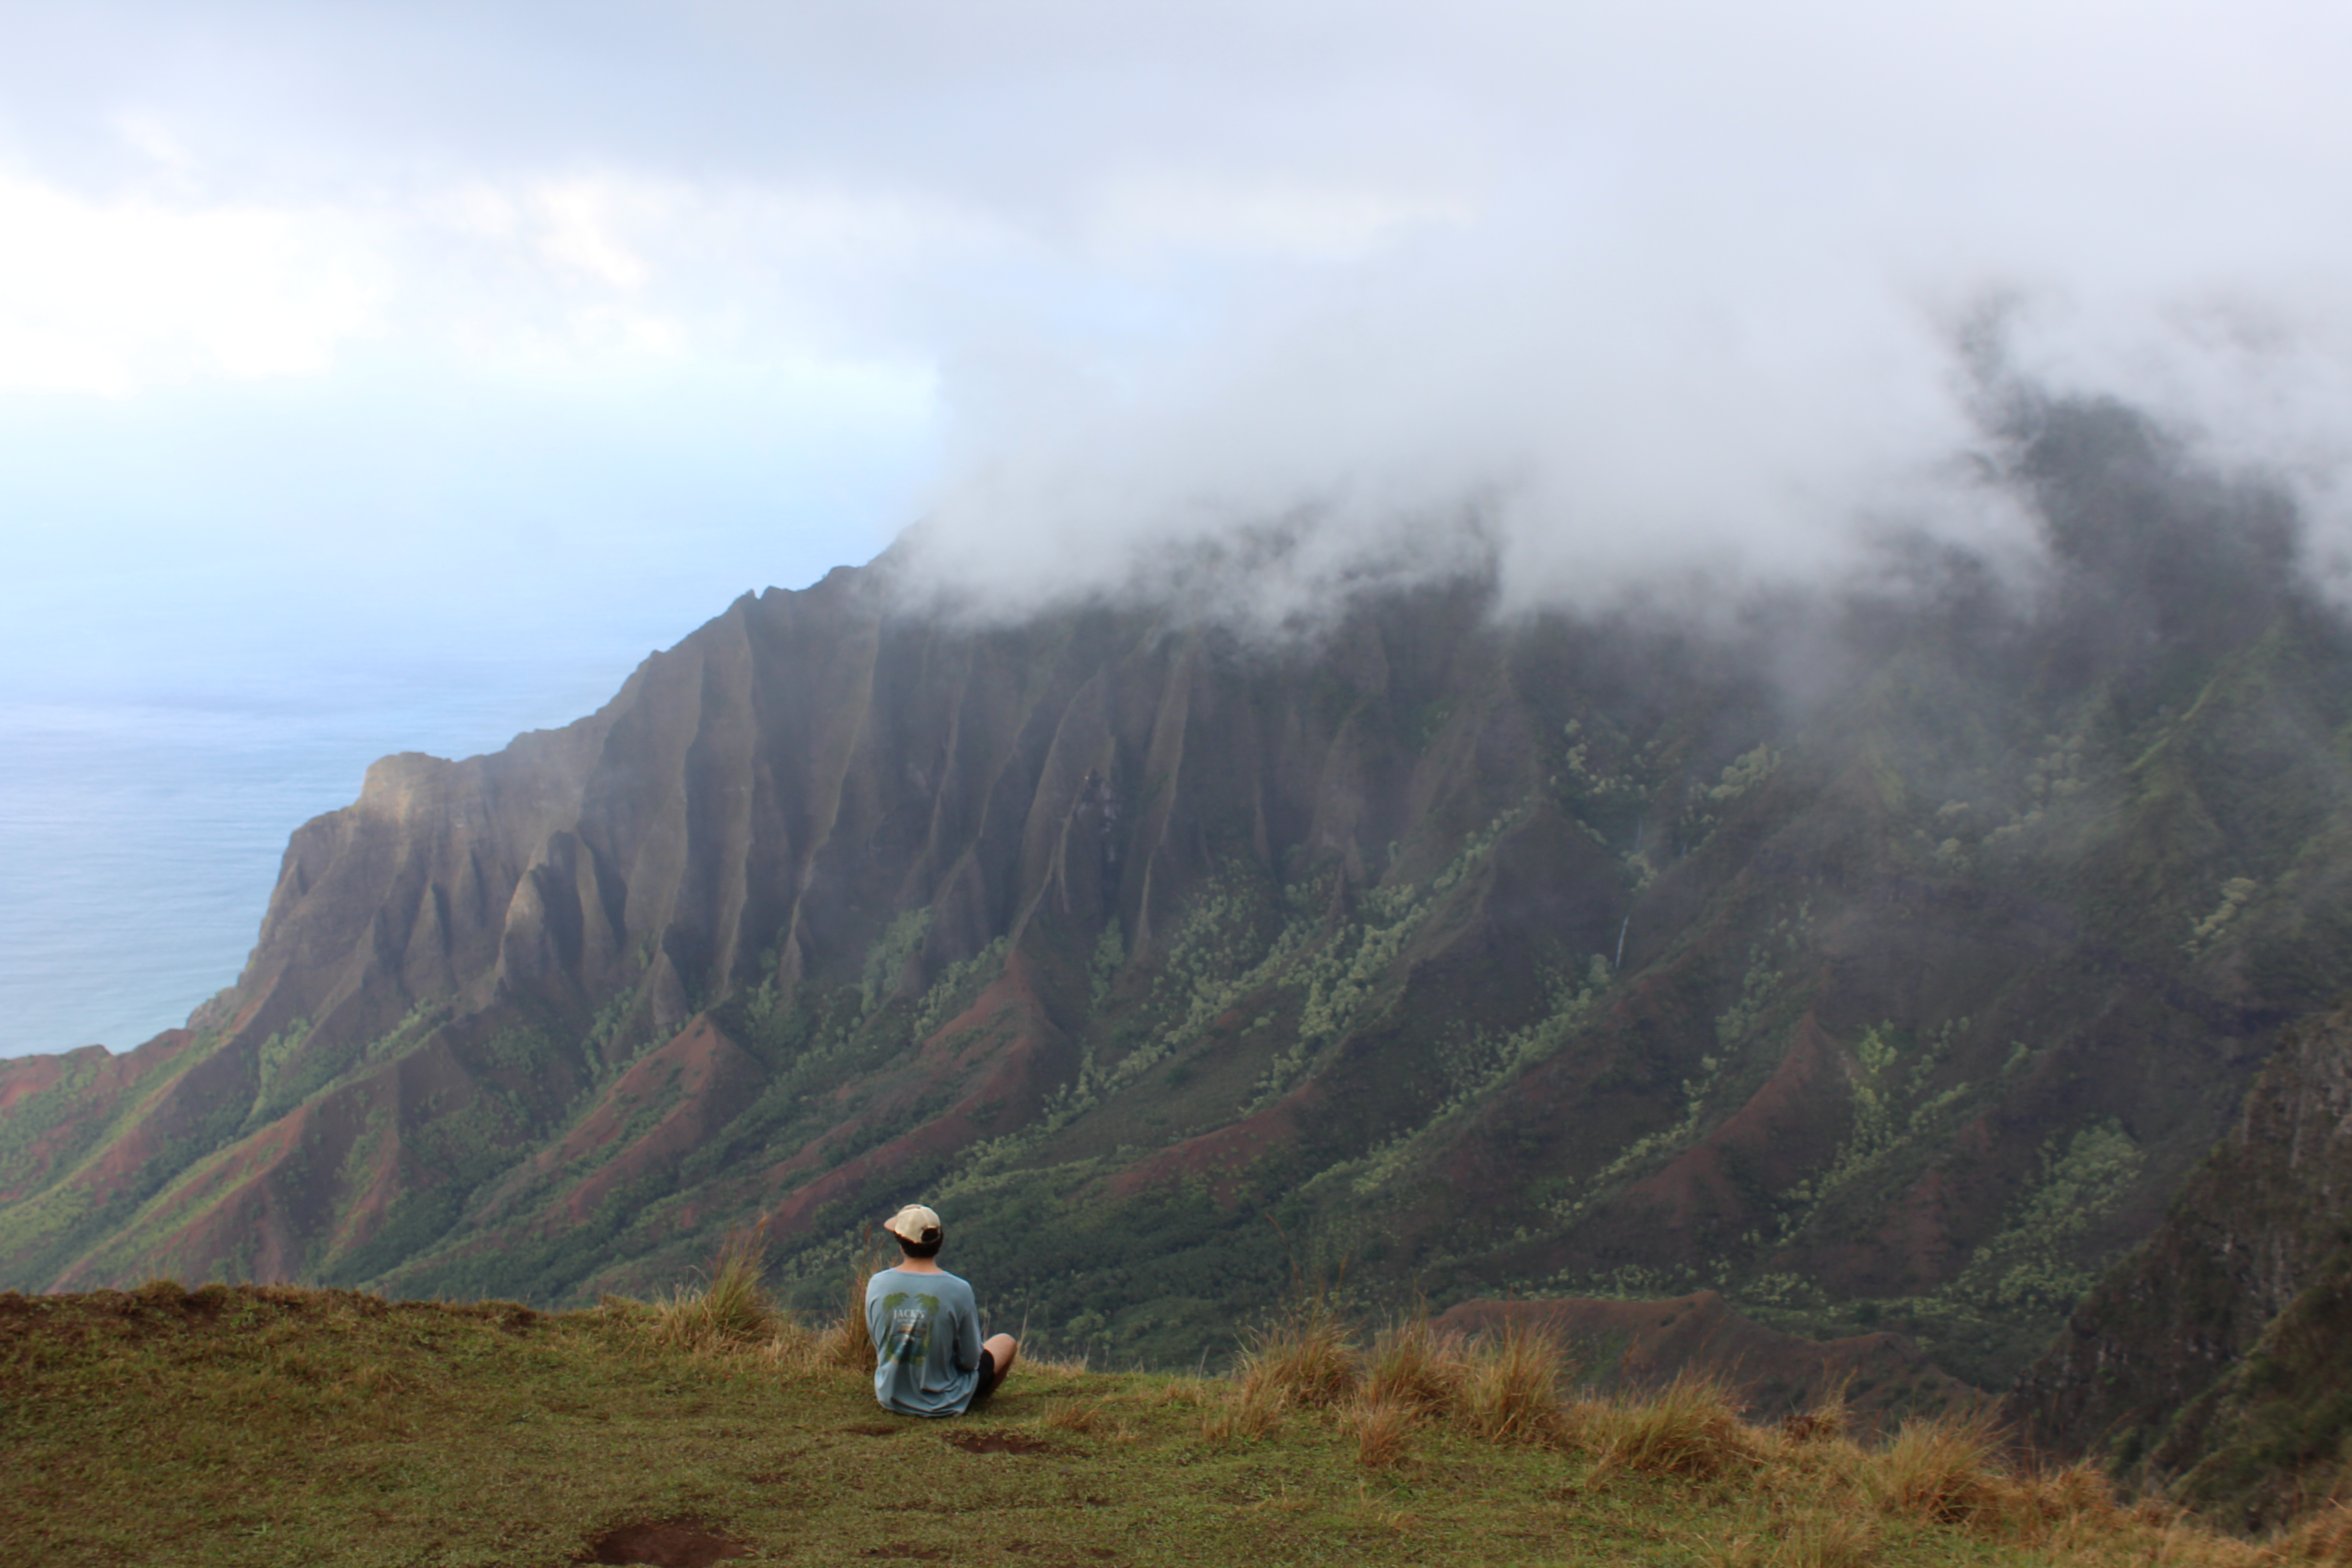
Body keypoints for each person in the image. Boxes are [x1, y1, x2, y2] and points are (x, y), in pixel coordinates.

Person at [863, 1203, 1019, 1417]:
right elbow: (971, 1360)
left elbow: (880, 1342)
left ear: (900, 1243)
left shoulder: (877, 1283)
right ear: (939, 1241)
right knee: (1005, 1342)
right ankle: (972, 1401)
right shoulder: (958, 1289)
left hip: (890, 1396)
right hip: (943, 1401)